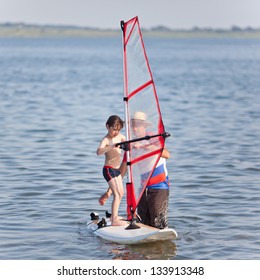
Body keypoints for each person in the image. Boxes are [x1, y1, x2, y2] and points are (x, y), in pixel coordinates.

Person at [121, 111, 170, 229]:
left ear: (144, 126)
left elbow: (166, 154)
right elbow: (123, 169)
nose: (134, 128)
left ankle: (160, 246)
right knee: (143, 224)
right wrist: (109, 191)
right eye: (132, 125)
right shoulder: (131, 144)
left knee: (158, 224)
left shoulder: (153, 138)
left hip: (159, 188)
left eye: (137, 125)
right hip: (142, 189)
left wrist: (144, 146)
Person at [96, 115, 127, 226]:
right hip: (108, 170)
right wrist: (111, 146)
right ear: (107, 126)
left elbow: (130, 142)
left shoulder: (120, 136)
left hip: (117, 170)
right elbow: (98, 152)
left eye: (118, 130)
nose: (116, 132)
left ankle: (115, 215)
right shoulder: (106, 139)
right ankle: (114, 220)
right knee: (117, 194)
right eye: (114, 129)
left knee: (121, 193)